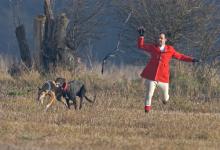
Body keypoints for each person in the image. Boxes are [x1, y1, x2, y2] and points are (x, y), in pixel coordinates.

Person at [137, 26, 200, 113]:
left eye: (162, 38)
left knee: (165, 98)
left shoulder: (170, 50)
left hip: (163, 78)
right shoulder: (152, 47)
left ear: (165, 40)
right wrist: (141, 36)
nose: (160, 39)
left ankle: (165, 100)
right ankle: (146, 113)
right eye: (159, 38)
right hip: (152, 77)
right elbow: (141, 46)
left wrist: (192, 59)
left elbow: (180, 56)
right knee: (149, 95)